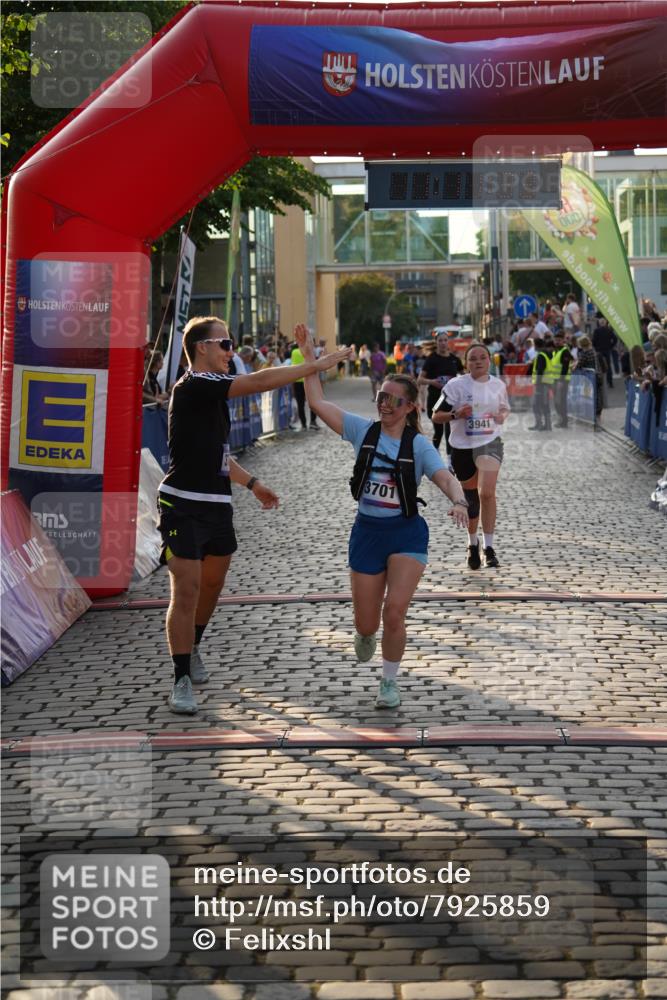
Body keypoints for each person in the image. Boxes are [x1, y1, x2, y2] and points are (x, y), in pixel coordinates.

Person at [158, 316, 349, 714]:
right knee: (188, 586)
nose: (231, 352)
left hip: (216, 502)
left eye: (231, 344)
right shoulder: (196, 383)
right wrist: (315, 364)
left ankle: (193, 646)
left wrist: (251, 482)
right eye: (224, 344)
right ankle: (180, 678)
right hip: (181, 502)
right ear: (201, 348)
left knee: (212, 586)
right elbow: (261, 382)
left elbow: (217, 454)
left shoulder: (210, 393)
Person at [294, 324, 468, 710]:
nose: (383, 403)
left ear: (410, 407)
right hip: (367, 533)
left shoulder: (419, 445)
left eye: (392, 399)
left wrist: (459, 501)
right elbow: (319, 404)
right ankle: (365, 633)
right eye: (381, 396)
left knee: (395, 612)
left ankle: (389, 683)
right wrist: (309, 360)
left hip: (406, 535)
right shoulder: (362, 431)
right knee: (366, 622)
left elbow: (444, 477)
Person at [432, 343, 510, 570]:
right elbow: (435, 415)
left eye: (483, 357)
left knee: (487, 492)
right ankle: (472, 543)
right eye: (473, 358)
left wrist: (501, 416)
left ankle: (489, 547)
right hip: (462, 448)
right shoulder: (455, 386)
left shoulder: (498, 385)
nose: (478, 361)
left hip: (489, 443)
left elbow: (505, 408)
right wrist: (456, 413)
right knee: (472, 500)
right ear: (466, 363)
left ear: (489, 361)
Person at [417, 332, 464, 453]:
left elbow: (464, 376)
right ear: (436, 342)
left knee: (449, 429)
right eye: (440, 340)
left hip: (450, 400)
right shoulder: (431, 359)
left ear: (448, 342)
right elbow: (420, 379)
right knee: (438, 430)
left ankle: (449, 459)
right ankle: (435, 453)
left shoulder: (454, 360)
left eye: (445, 340)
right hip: (435, 398)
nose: (443, 343)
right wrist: (432, 382)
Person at [290, 340, 320, 430]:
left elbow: (293, 366)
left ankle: (303, 425)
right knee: (313, 403)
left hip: (297, 380)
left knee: (300, 404)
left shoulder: (294, 352)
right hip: (308, 380)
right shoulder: (310, 351)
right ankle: (313, 422)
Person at [527, 336, 553, 432]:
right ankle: (547, 424)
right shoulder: (547, 354)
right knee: (544, 404)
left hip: (541, 384)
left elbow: (540, 371)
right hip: (546, 383)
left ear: (537, 345)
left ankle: (540, 424)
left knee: (536, 404)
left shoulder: (541, 355)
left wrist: (537, 383)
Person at [551, 331, 573, 428]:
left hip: (562, 380)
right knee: (557, 401)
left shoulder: (564, 351)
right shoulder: (555, 351)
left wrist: (561, 380)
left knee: (561, 401)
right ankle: (561, 420)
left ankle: (564, 422)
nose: (557, 342)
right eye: (555, 340)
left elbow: (565, 367)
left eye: (559, 340)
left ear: (563, 340)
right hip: (554, 380)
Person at [592, 316, 617, 388]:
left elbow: (593, 341)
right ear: (605, 323)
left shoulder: (596, 331)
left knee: (599, 367)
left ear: (599, 323)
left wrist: (596, 347)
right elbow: (615, 339)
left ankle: (600, 382)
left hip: (599, 350)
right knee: (608, 366)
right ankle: (610, 382)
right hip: (607, 350)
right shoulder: (608, 330)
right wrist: (611, 346)